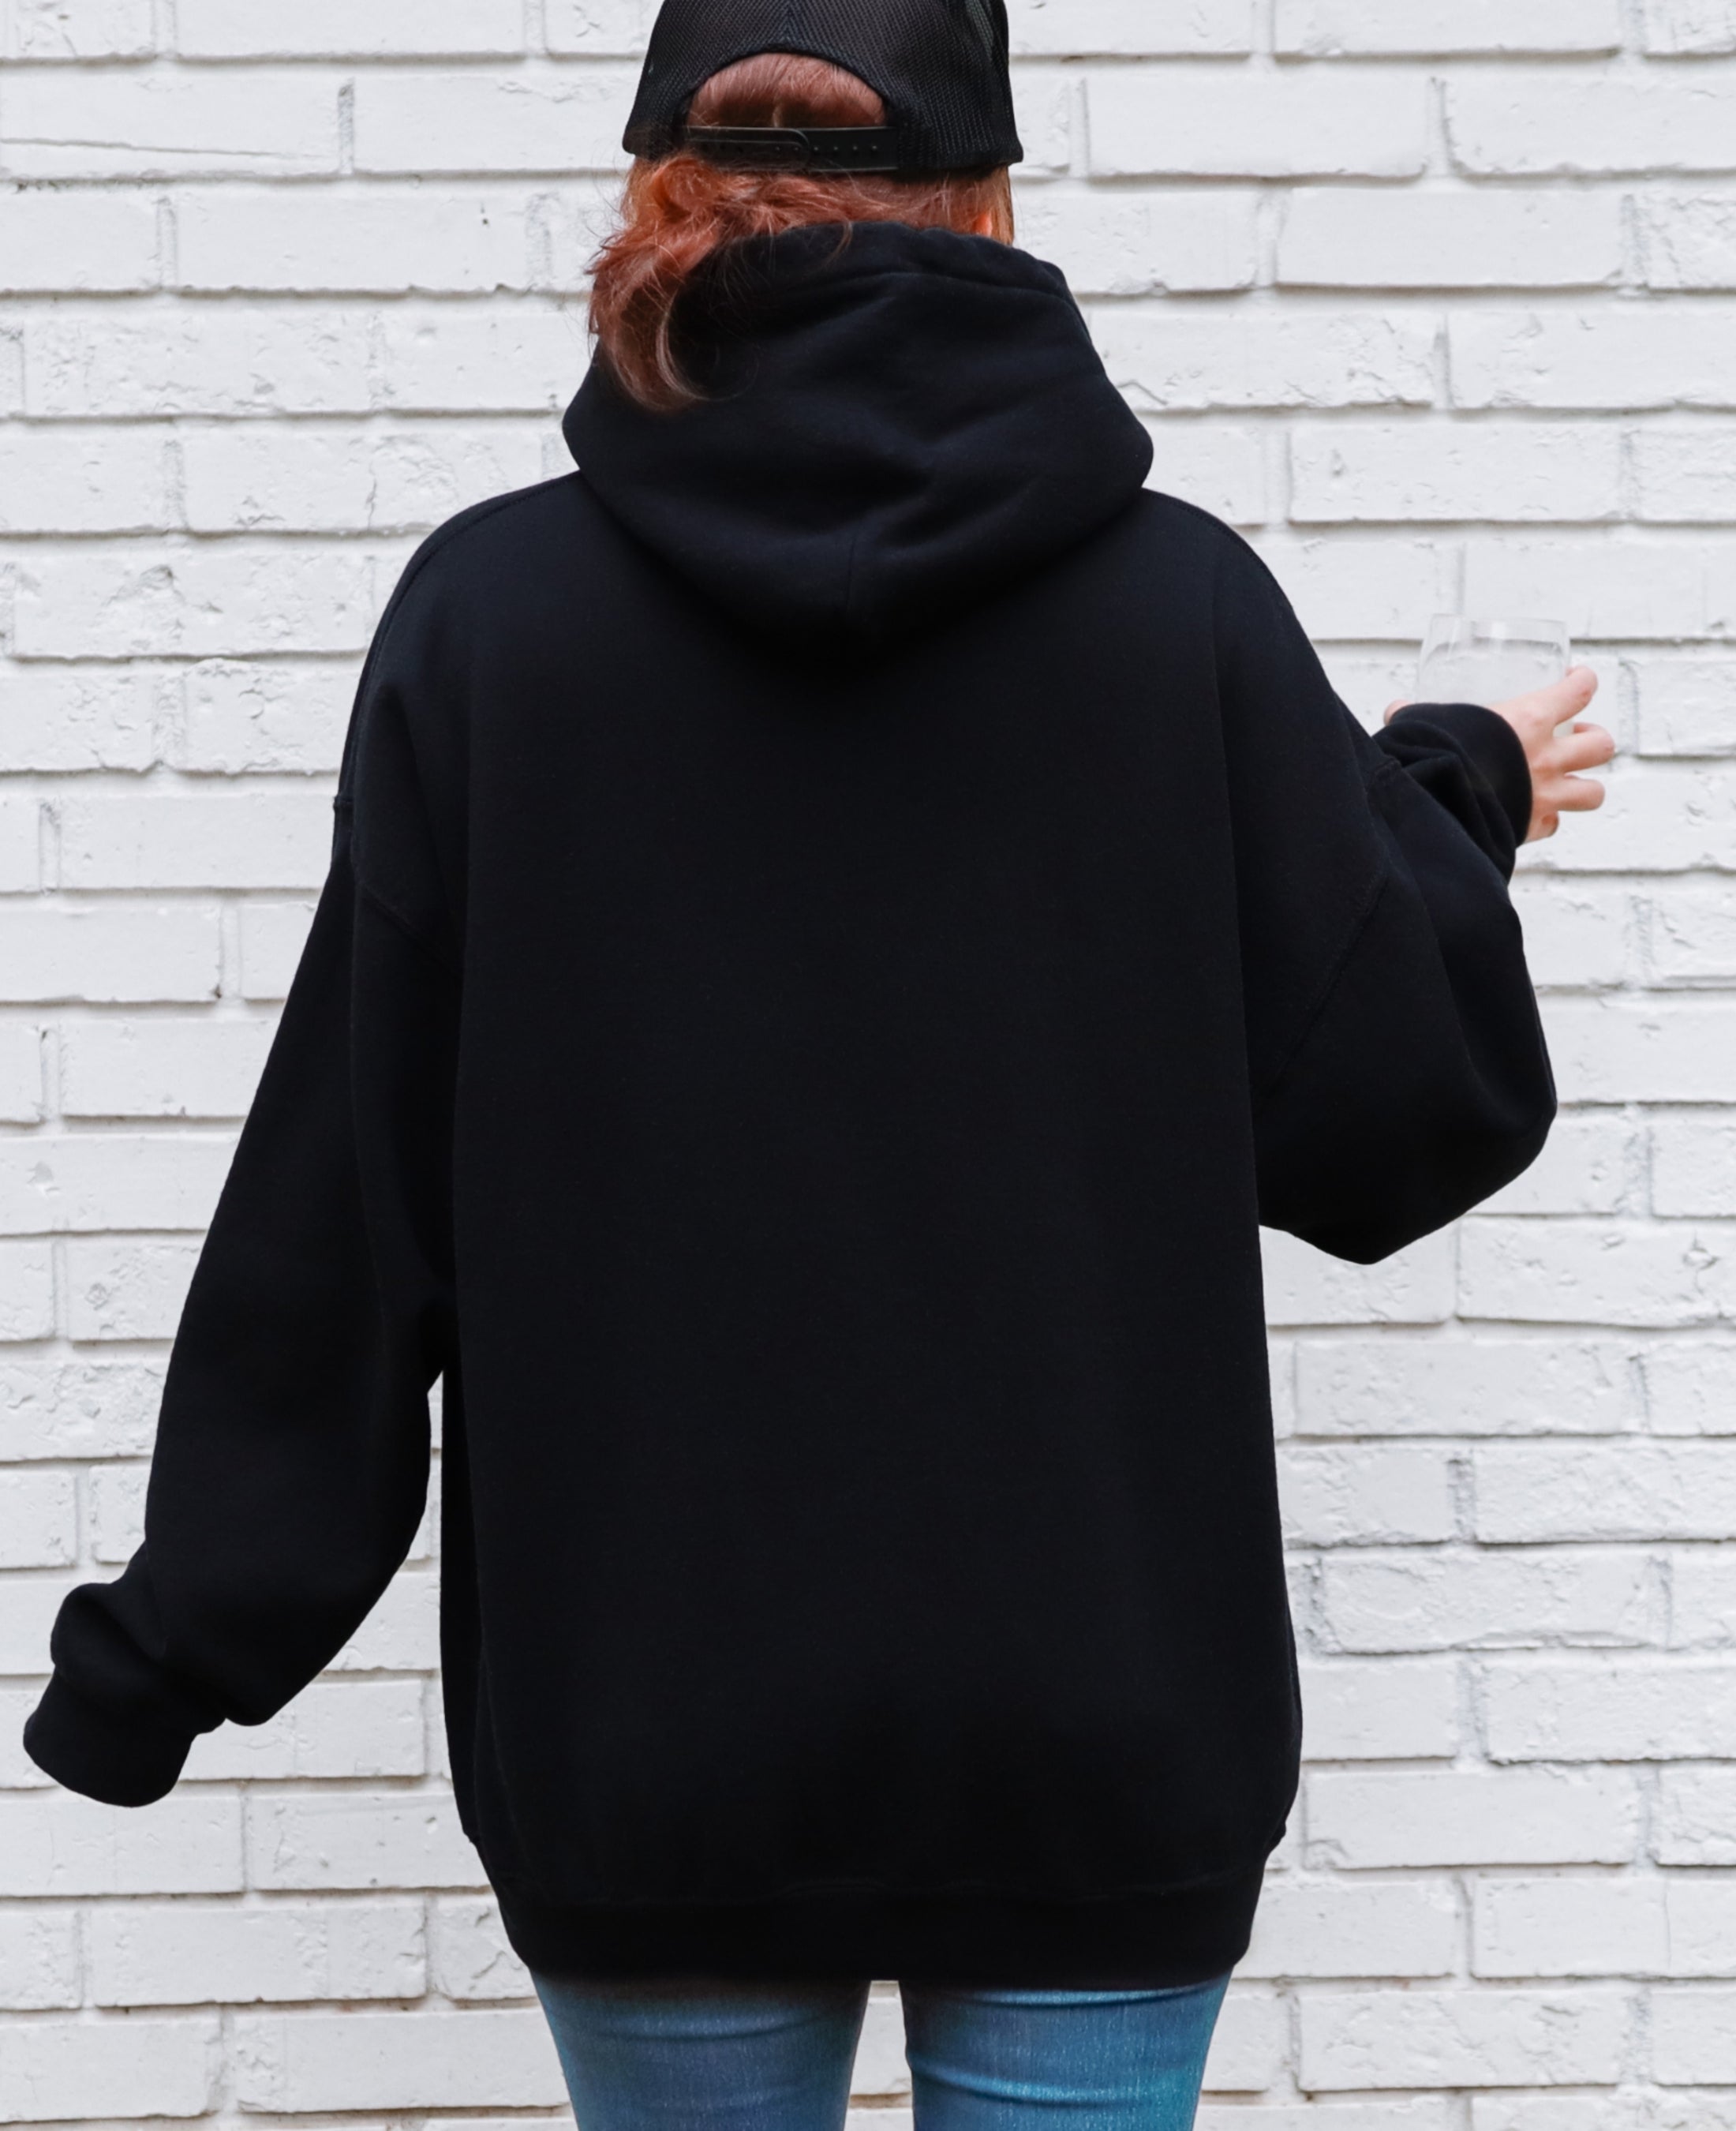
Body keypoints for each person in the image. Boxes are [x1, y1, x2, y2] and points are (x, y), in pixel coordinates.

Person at [23, 2, 1615, 2123]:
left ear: (658, 199)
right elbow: (1398, 1110)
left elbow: (351, 1191)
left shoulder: (494, 622)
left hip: (652, 1742)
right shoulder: (1180, 615)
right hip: (1097, 1733)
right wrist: (1449, 786)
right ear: (994, 205)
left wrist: (173, 1651)